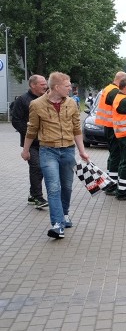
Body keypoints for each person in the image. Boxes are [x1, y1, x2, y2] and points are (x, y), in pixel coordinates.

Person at [21, 72, 90, 239]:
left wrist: (82, 151)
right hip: (48, 151)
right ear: (57, 87)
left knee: (66, 187)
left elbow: (76, 129)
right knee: (53, 187)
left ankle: (65, 214)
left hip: (68, 151)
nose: (70, 88)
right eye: (67, 86)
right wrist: (26, 150)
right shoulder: (36, 104)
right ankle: (57, 224)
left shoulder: (72, 104)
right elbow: (32, 130)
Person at [10, 74, 49, 208]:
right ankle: (38, 197)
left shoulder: (47, 98)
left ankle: (33, 195)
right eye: (42, 84)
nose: (45, 86)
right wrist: (31, 134)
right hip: (31, 143)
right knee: (36, 167)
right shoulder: (22, 100)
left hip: (47, 141)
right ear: (33, 85)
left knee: (43, 169)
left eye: (46, 83)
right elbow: (16, 121)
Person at [94, 71, 126, 194]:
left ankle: (110, 182)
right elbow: (122, 104)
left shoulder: (108, 88)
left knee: (113, 156)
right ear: (121, 80)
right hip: (112, 126)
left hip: (109, 126)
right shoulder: (113, 91)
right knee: (116, 156)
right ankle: (112, 186)